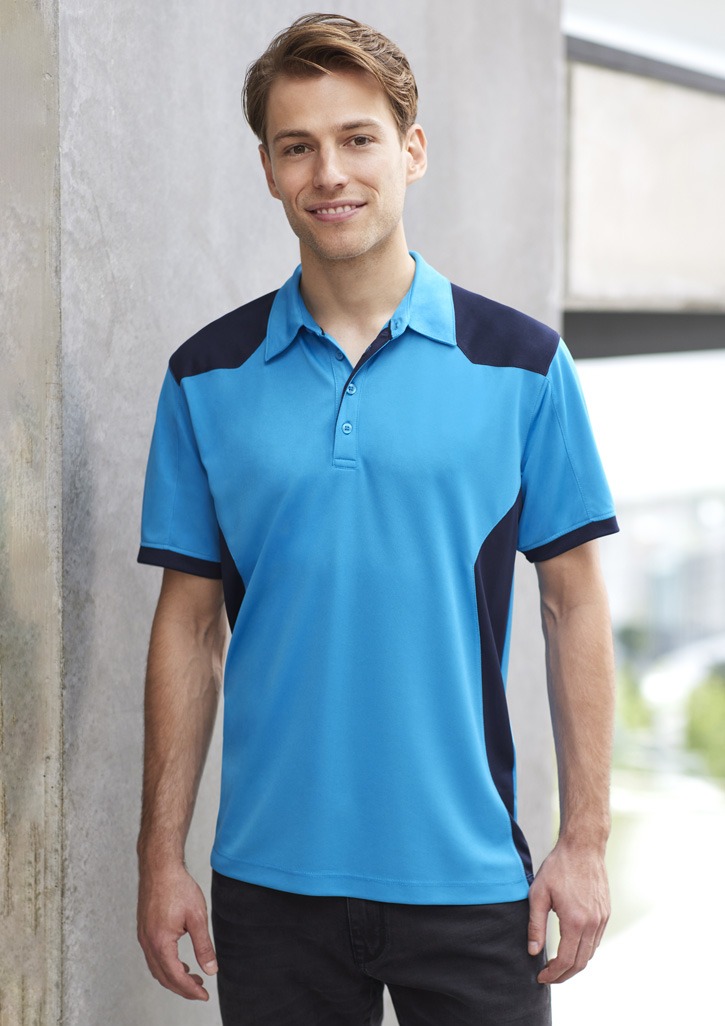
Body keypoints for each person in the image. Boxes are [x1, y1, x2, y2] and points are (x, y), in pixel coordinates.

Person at [136, 13, 618, 1025]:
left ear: (411, 150)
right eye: (296, 146)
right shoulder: (205, 377)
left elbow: (572, 605)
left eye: (357, 138)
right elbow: (188, 625)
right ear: (267, 170)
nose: (329, 173)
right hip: (269, 886)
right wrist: (159, 856)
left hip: (471, 882)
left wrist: (583, 842)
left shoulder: (522, 366)